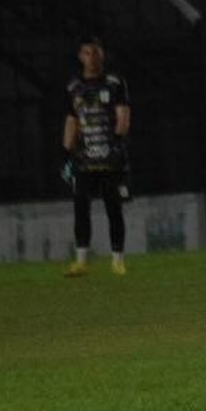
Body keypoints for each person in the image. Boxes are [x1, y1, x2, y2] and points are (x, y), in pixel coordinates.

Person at [62, 35, 131, 277]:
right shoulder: (73, 86)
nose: (92, 57)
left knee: (114, 207)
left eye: (96, 52)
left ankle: (118, 261)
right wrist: (67, 152)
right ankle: (81, 261)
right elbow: (72, 119)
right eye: (88, 53)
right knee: (81, 207)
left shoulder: (114, 82)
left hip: (108, 156)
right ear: (81, 57)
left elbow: (123, 116)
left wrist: (119, 144)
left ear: (102, 55)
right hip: (83, 158)